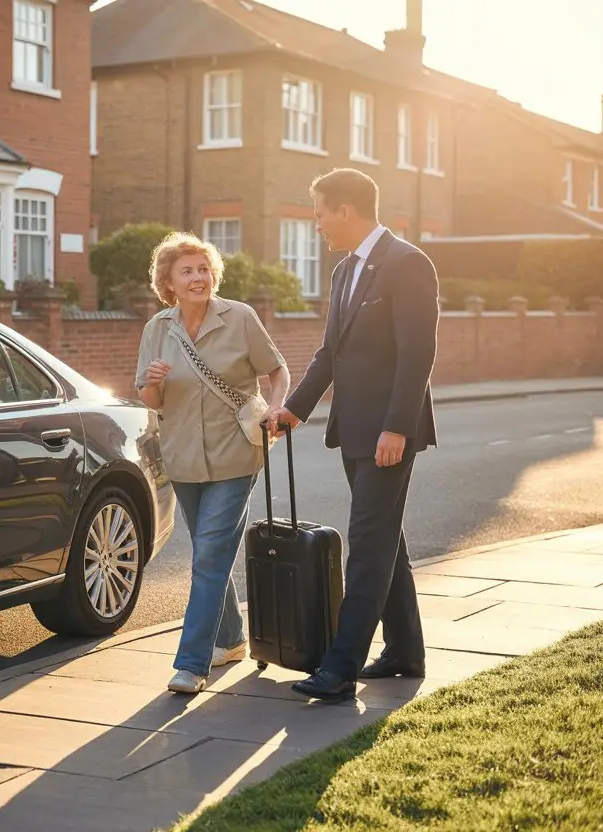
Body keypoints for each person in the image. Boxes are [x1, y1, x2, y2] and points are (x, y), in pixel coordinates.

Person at [268, 168, 439, 701]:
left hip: (389, 432)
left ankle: (341, 668)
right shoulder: (345, 271)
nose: (316, 223)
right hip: (354, 429)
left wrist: (397, 427)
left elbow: (418, 355)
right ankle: (405, 651)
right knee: (387, 540)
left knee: (367, 543)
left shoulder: (408, 264)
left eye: (319, 212)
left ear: (346, 210)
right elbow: (330, 354)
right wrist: (292, 411)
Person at [135, 231, 291, 694]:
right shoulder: (157, 329)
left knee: (208, 554)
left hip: (236, 452)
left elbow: (277, 369)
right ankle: (231, 638)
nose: (199, 277)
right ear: (169, 281)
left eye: (204, 269)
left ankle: (192, 663)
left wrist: (279, 408)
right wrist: (153, 380)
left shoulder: (239, 317)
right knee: (210, 551)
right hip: (182, 456)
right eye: (188, 271)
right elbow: (149, 397)